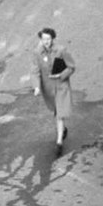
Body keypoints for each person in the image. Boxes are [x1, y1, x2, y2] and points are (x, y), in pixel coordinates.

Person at [32, 27, 75, 156]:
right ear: (40, 39)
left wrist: (61, 75)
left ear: (53, 39)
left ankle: (59, 142)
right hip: (49, 89)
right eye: (44, 39)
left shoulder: (61, 50)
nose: (46, 41)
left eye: (48, 39)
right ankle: (63, 130)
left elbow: (71, 67)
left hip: (61, 86)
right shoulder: (37, 53)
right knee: (57, 111)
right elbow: (35, 71)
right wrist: (36, 87)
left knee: (60, 115)